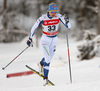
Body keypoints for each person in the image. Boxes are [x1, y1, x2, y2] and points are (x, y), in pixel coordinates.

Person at [27, 2, 71, 86]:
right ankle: (45, 78)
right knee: (47, 58)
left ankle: (41, 64)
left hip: (54, 40)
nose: (54, 13)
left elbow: (68, 26)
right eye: (52, 11)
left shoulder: (59, 16)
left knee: (49, 59)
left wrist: (67, 21)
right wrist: (30, 38)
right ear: (49, 10)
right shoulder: (43, 18)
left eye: (55, 11)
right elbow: (34, 27)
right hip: (45, 41)